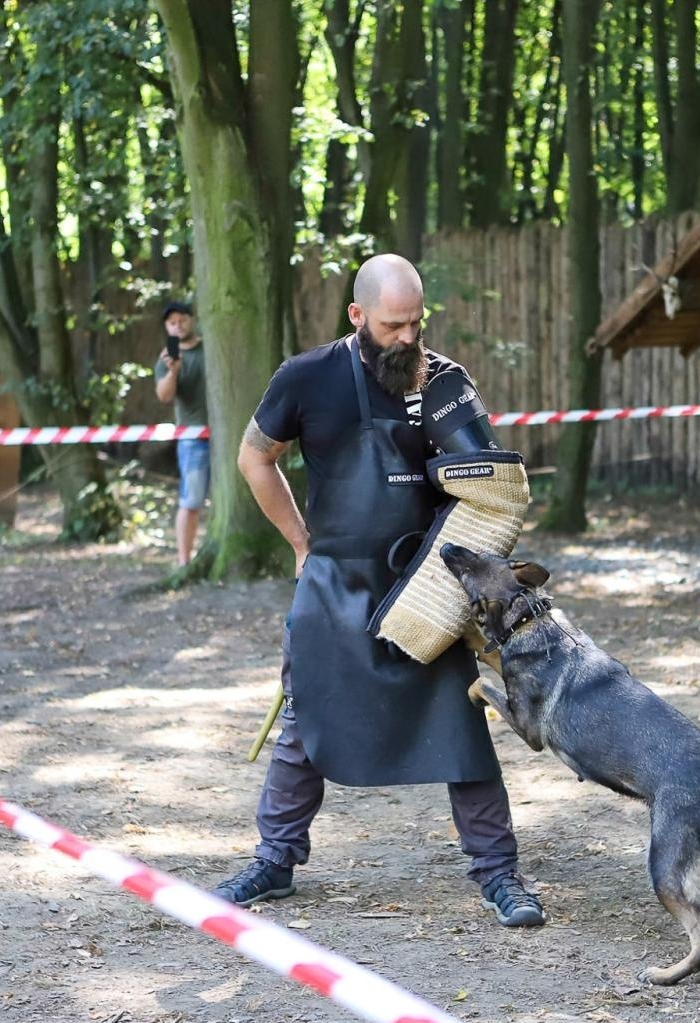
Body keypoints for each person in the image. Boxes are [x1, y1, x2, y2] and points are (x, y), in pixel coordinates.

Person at [217, 254, 545, 928]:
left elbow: (490, 488)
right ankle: (275, 860)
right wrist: (302, 545)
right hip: (335, 583)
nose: (407, 338)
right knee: (306, 722)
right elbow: (255, 456)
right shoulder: (305, 378)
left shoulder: (446, 383)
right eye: (393, 325)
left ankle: (499, 875)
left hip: (425, 587)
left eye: (416, 324)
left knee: (461, 728)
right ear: (358, 316)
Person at [154, 300, 208, 567]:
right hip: (192, 438)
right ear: (167, 327)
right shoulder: (166, 358)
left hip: (226, 436)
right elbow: (164, 396)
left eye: (182, 320)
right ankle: (184, 561)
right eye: (172, 323)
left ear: (191, 319)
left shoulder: (211, 349)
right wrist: (173, 371)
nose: (178, 326)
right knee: (192, 500)